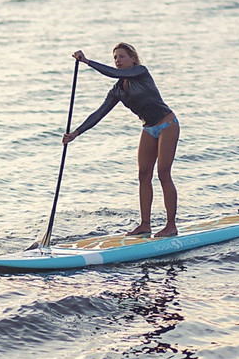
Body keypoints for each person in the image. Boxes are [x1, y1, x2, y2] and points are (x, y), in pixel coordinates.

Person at [62, 43, 179, 237]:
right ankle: (145, 224)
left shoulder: (141, 72)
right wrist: (76, 133)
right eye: (115, 58)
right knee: (143, 175)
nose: (117, 61)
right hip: (149, 129)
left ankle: (171, 226)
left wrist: (88, 62)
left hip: (168, 125)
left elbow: (113, 73)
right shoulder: (117, 91)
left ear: (133, 59)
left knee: (163, 174)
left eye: (122, 56)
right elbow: (99, 114)